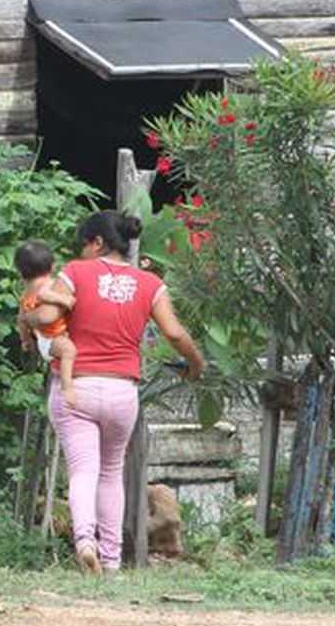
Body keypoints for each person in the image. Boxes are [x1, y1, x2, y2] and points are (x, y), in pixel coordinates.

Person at [20, 210, 205, 573]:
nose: (83, 251)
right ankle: (113, 560)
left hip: (78, 386)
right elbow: (175, 334)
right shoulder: (150, 283)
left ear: (98, 242)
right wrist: (196, 365)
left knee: (83, 472)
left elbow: (44, 314)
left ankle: (85, 542)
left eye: (85, 244)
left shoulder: (75, 272)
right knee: (110, 473)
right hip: (122, 391)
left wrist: (26, 319)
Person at [13, 240, 79, 406]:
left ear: (20, 273)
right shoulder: (48, 284)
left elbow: (21, 319)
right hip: (53, 337)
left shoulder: (25, 293)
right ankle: (67, 387)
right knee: (69, 352)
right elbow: (43, 295)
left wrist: (25, 340)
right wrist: (62, 298)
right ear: (52, 266)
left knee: (67, 351)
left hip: (44, 339)